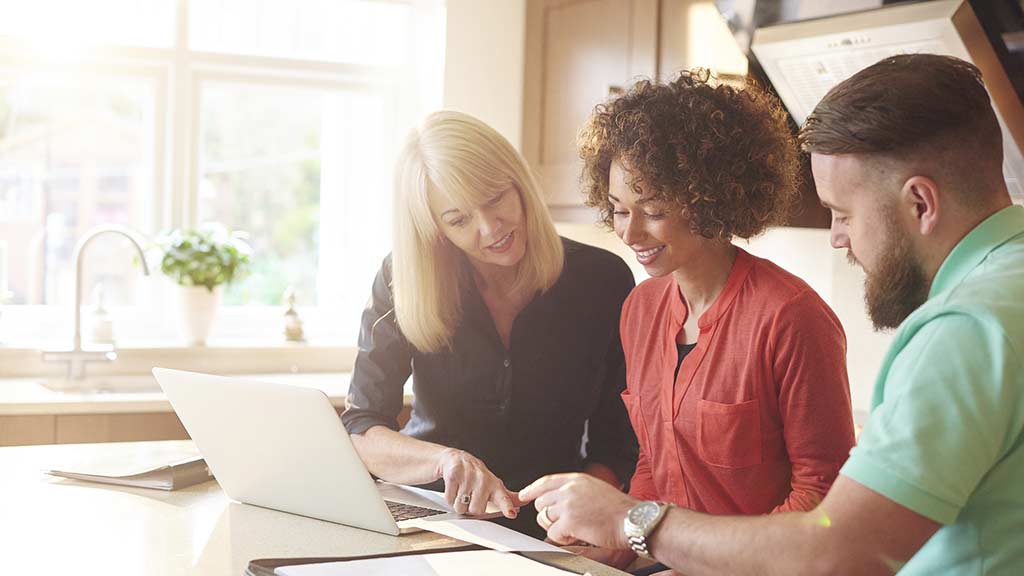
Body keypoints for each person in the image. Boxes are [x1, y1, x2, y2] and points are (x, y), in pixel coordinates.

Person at [520, 54, 1024, 575]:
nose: (837, 238)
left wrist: (635, 522)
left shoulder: (964, 332)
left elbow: (838, 550)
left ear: (920, 202)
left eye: (844, 213)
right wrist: (626, 539)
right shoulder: (1007, 290)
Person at [564, 69, 856, 571]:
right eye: (617, 209)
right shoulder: (641, 310)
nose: (630, 232)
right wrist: (616, 547)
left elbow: (823, 498)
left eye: (652, 209)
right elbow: (656, 464)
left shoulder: (791, 317)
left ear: (711, 199)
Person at [341, 110, 638, 537]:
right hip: (430, 513)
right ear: (436, 228)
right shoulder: (403, 276)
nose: (490, 229)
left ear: (518, 182)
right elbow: (363, 426)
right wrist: (445, 461)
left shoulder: (602, 279)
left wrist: (585, 521)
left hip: (549, 524)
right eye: (459, 219)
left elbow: (617, 440)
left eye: (496, 198)